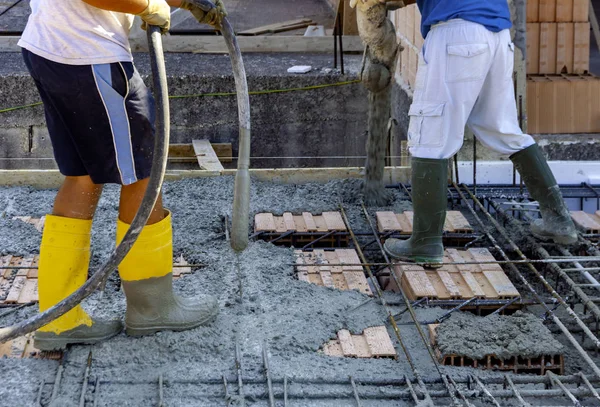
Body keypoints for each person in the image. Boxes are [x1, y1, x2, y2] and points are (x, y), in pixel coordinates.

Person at [19, 0, 226, 350]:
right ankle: (152, 308)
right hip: (89, 55)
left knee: (83, 175)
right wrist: (146, 6)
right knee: (144, 174)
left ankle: (59, 317)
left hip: (53, 48)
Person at [384, 0, 578, 267]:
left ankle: (425, 242)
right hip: (496, 35)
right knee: (503, 128)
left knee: (430, 136)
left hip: (457, 34)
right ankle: (558, 220)